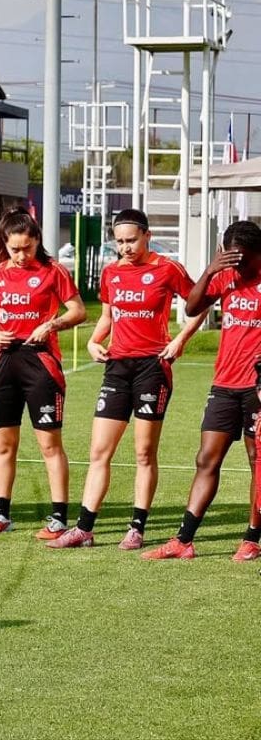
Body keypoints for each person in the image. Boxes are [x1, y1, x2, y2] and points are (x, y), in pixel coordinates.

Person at [49, 209, 201, 550]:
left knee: (144, 452)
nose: (125, 248)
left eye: (131, 240)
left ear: (146, 236)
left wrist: (179, 339)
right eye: (119, 241)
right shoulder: (112, 273)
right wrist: (92, 341)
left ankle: (137, 528)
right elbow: (108, 316)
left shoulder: (167, 268)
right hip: (117, 368)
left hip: (152, 367)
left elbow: (199, 303)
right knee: (99, 451)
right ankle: (84, 528)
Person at [143, 220, 261, 561]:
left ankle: (252, 538)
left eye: (246, 261)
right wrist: (210, 271)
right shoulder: (224, 277)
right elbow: (192, 308)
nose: (239, 268)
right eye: (232, 260)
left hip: (257, 388)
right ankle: (183, 540)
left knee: (258, 461)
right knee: (206, 459)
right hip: (224, 384)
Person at [0, 209, 86, 536]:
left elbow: (78, 311)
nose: (21, 255)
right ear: (5, 245)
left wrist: (51, 324)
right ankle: (1, 514)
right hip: (4, 361)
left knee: (49, 444)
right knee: (3, 444)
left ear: (37, 240)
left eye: (27, 247)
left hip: (40, 363)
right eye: (14, 249)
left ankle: (58, 517)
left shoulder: (53, 271)